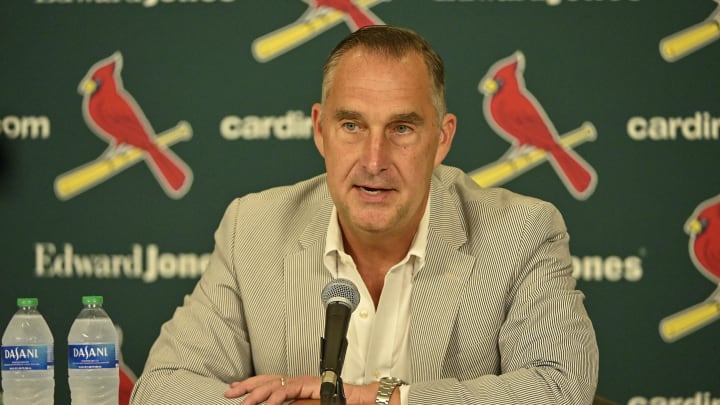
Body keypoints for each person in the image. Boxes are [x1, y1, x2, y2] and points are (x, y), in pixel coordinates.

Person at [130, 25, 599, 405]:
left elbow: (560, 388)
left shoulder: (520, 233)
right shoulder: (254, 228)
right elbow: (162, 388)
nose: (374, 160)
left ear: (442, 138)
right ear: (319, 130)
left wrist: (378, 400)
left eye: (401, 128)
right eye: (351, 125)